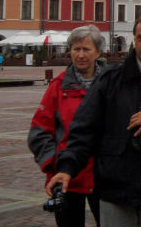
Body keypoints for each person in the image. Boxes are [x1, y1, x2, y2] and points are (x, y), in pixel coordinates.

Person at [46, 15, 141, 227]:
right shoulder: (110, 79)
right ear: (134, 39)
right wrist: (67, 168)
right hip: (116, 185)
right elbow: (84, 129)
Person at [29, 25, 104, 227]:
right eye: (75, 49)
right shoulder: (58, 86)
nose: (80, 55)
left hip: (104, 176)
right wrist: (54, 165)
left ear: (97, 52)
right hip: (67, 178)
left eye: (86, 49)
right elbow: (39, 131)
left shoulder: (109, 84)